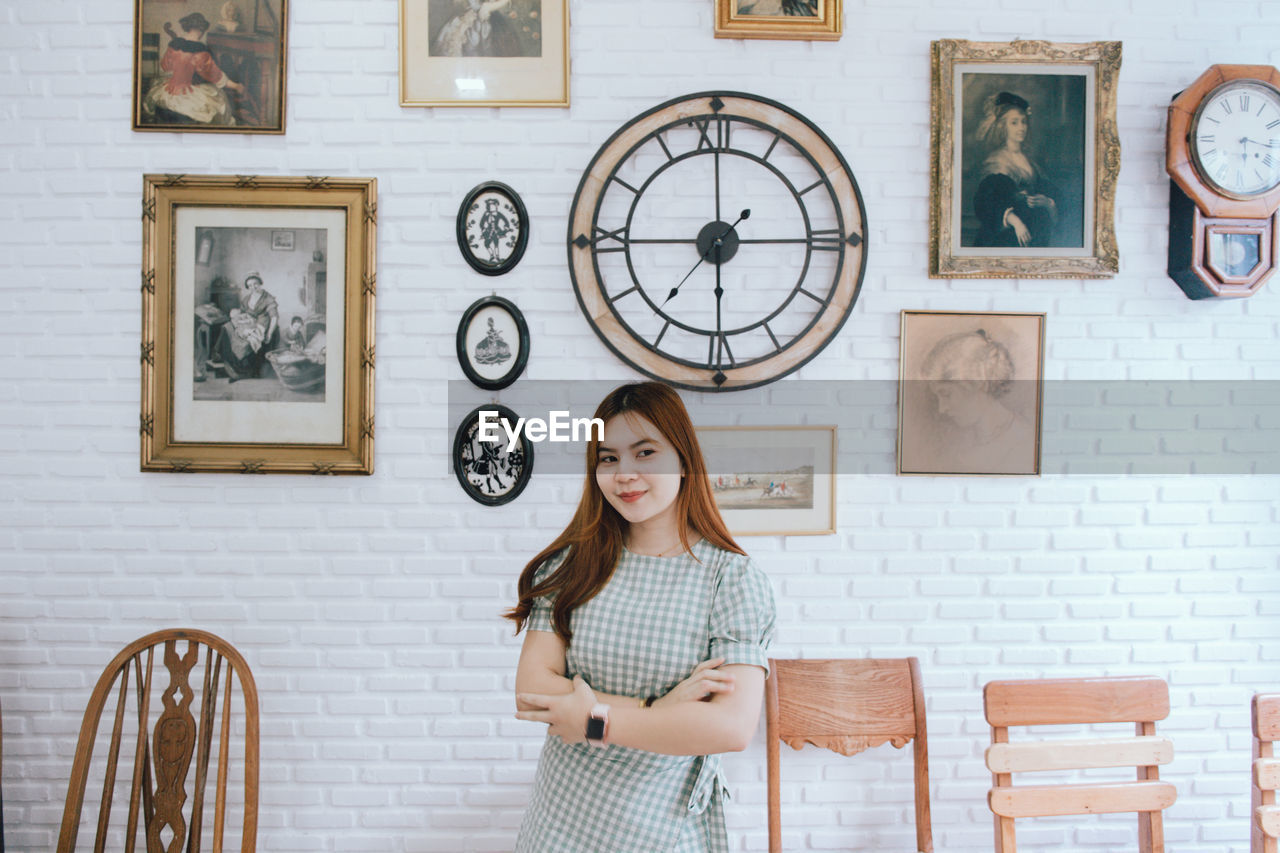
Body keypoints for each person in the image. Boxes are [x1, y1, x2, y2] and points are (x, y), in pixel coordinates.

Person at [506, 381, 776, 853]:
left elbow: (730, 728)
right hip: (558, 825)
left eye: (645, 452)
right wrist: (660, 711)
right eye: (608, 458)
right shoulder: (571, 567)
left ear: (683, 458)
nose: (624, 474)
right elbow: (533, 689)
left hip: (661, 831)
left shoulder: (730, 579)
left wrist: (595, 719)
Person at [971, 91, 1058, 248]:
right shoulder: (996, 161)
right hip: (1005, 238)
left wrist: (1048, 203)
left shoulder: (1032, 163)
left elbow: (1050, 194)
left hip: (1035, 236)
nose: (1021, 127)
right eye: (1014, 122)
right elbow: (984, 204)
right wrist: (1015, 221)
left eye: (1024, 122)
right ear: (1003, 126)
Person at [141, 13, 245, 126]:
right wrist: (236, 86)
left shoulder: (174, 45)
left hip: (169, 91)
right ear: (201, 29)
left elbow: (165, 66)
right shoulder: (200, 51)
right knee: (218, 105)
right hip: (189, 95)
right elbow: (216, 76)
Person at [207, 273, 279, 381]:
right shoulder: (247, 298)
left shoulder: (268, 298)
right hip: (247, 322)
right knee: (226, 327)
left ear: (260, 284)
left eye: (255, 284)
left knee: (247, 340)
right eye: (249, 286)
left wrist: (269, 333)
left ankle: (242, 370)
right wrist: (238, 317)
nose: (253, 287)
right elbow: (242, 312)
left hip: (260, 325)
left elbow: (274, 317)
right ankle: (218, 355)